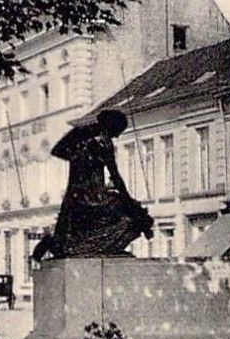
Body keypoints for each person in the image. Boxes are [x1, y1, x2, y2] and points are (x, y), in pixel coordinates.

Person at [33, 109, 154, 259]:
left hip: (75, 193)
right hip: (93, 196)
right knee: (134, 217)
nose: (117, 136)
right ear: (111, 126)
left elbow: (57, 151)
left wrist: (77, 156)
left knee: (73, 230)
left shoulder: (79, 133)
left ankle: (57, 243)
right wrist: (129, 201)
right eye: (118, 131)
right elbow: (115, 175)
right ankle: (101, 247)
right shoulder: (104, 142)